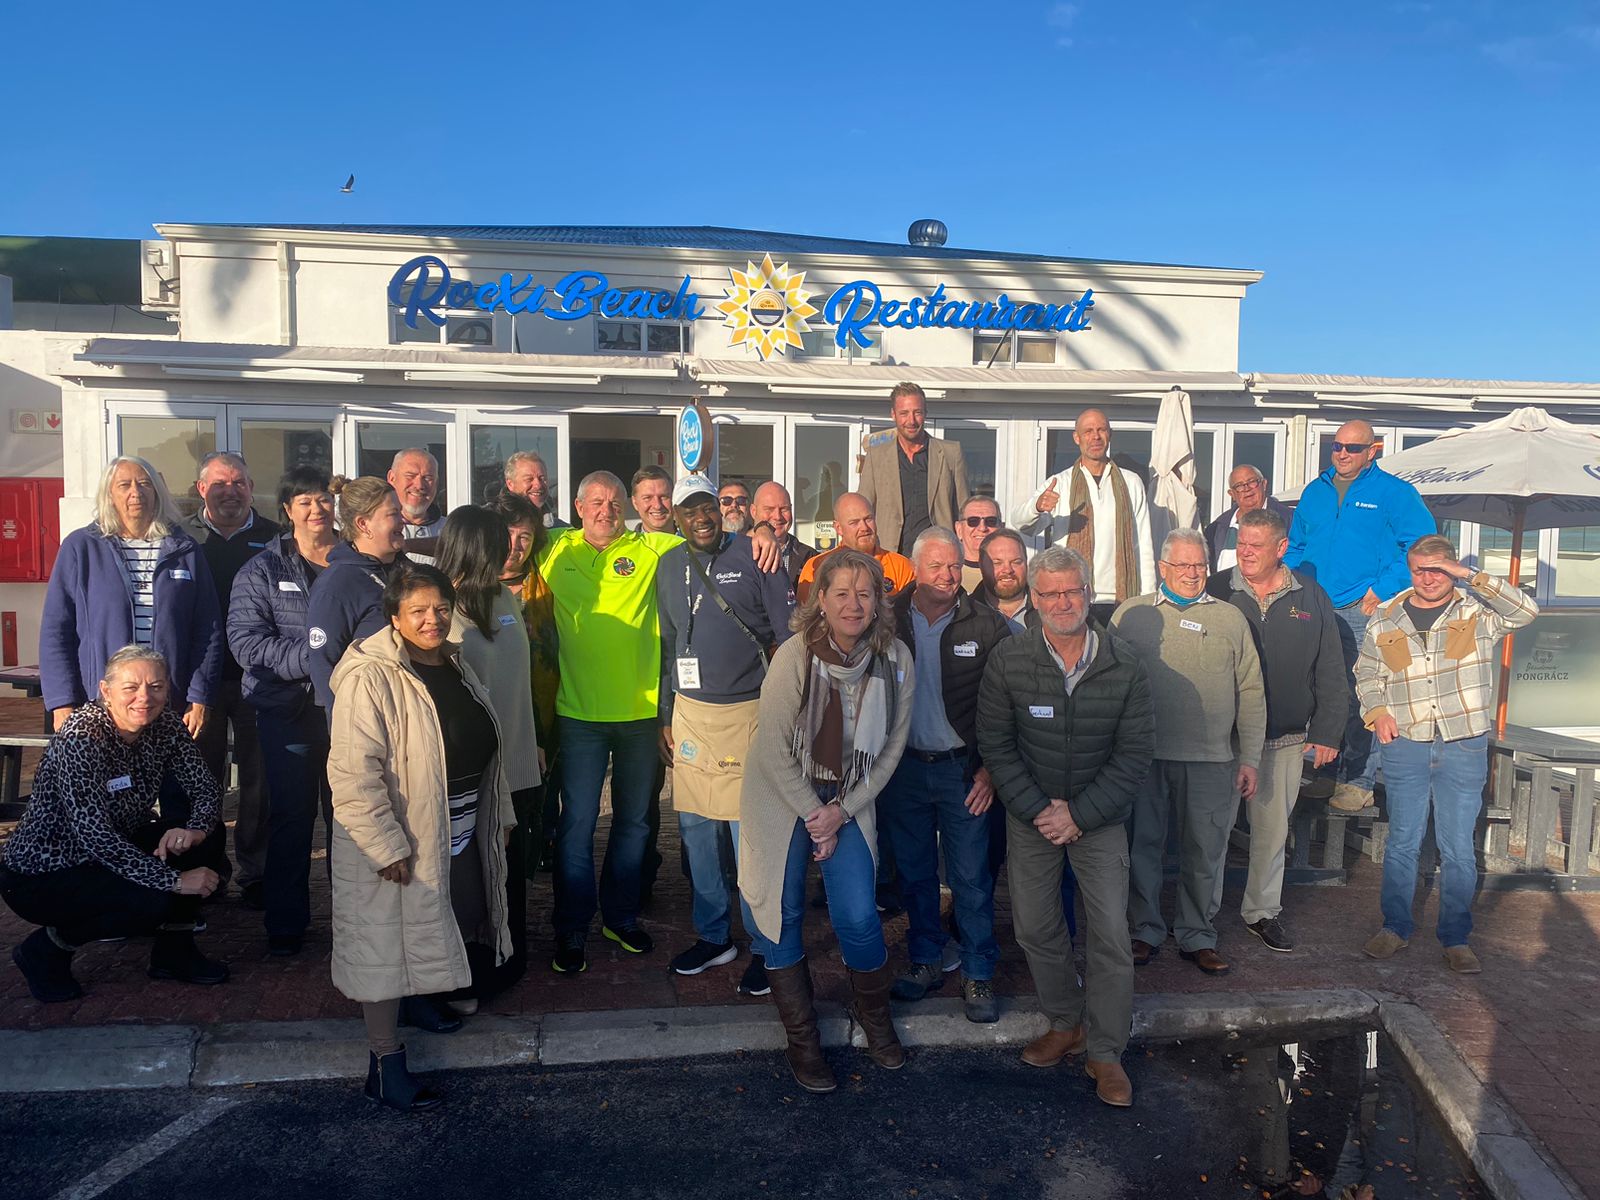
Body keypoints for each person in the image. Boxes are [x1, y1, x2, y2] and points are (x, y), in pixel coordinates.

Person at [326, 565, 514, 1112]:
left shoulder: (455, 662)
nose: (431, 620)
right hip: (401, 835)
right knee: (384, 947)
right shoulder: (371, 677)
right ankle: (384, 1064)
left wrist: (497, 813)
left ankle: (423, 1002)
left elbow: (486, 746)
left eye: (439, 609)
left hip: (455, 825)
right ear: (394, 618)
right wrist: (384, 846)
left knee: (431, 926)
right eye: (417, 612)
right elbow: (354, 773)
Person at [976, 546, 1154, 1107]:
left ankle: (1105, 1052)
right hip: (1032, 819)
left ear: (1087, 592)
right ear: (1033, 598)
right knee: (1033, 925)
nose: (1060, 602)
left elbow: (1134, 757)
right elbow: (997, 746)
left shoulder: (1125, 665)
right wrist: (1040, 810)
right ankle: (1065, 1021)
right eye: (1048, 593)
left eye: (1070, 591)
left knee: (1110, 936)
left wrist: (1078, 814)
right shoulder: (1009, 660)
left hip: (1098, 821)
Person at [739, 548, 916, 1093]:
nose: (854, 603)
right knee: (783, 912)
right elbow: (771, 748)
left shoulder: (896, 659)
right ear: (820, 601)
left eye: (865, 593)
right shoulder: (795, 656)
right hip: (780, 795)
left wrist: (842, 811)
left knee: (860, 916)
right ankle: (804, 1041)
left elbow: (890, 749)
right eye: (841, 592)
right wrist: (816, 814)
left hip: (848, 799)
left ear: (879, 601)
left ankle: (874, 1018)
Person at [2, 646, 228, 1003]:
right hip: (45, 871)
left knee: (207, 841)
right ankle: (46, 951)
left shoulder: (166, 724)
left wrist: (194, 830)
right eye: (131, 688)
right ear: (106, 691)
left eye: (155, 686)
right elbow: (96, 837)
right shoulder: (81, 738)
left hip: (114, 845)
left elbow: (205, 787)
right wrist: (175, 880)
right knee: (150, 900)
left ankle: (174, 952)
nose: (144, 697)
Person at [1355, 534, 1536, 973]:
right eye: (1420, 569)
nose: (1428, 578)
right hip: (1406, 743)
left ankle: (1455, 937)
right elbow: (1366, 673)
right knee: (1402, 841)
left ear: (1452, 569)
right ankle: (1394, 927)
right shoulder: (1386, 617)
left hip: (1462, 742)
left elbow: (1526, 610)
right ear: (1410, 568)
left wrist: (1468, 576)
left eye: (1438, 569)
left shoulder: (1477, 612)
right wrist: (1377, 711)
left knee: (1457, 846)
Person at [40, 457, 224, 868]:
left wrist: (198, 695)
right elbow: (57, 629)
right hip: (102, 703)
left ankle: (183, 887)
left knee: (182, 793)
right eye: (123, 485)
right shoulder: (82, 547)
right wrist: (62, 701)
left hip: (167, 700)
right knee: (106, 801)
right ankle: (106, 888)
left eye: (144, 484)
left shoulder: (183, 547)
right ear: (109, 493)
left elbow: (207, 629)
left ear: (158, 491)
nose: (134, 493)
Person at [657, 473, 795, 994]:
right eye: (689, 510)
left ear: (721, 509)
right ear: (677, 517)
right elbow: (668, 641)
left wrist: (785, 716)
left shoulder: (757, 556)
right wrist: (662, 714)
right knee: (696, 832)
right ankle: (715, 937)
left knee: (749, 838)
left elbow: (786, 641)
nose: (701, 518)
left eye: (708, 507)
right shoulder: (668, 565)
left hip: (749, 713)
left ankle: (764, 943)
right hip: (691, 714)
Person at [539, 471, 681, 972]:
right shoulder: (552, 548)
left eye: (614, 502)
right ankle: (572, 927)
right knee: (576, 826)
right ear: (578, 507)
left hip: (640, 714)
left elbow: (721, 537)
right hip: (578, 715)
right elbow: (494, 537)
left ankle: (619, 918)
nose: (605, 511)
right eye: (596, 502)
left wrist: (765, 535)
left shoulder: (653, 549)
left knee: (634, 824)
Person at [1112, 529, 1265, 977]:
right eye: (1182, 565)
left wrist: (1250, 756)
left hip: (1214, 759)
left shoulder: (1230, 618)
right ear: (1162, 568)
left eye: (1199, 565)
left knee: (1205, 851)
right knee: (1144, 848)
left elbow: (1251, 690)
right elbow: (1106, 681)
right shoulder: (1131, 615)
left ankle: (1197, 935)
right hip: (1145, 757)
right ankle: (1145, 930)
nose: (1192, 574)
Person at [881, 527, 1011, 1022]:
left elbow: (1004, 706)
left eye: (955, 566)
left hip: (965, 773)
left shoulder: (986, 623)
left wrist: (991, 771)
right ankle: (926, 961)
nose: (948, 576)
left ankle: (978, 973)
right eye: (936, 566)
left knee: (971, 879)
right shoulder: (887, 618)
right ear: (915, 568)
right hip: (904, 770)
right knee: (914, 875)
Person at [1207, 507, 1346, 953]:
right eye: (1241, 544)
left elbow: (1330, 668)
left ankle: (1262, 912)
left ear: (1281, 548)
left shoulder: (1310, 597)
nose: (1245, 552)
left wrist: (1327, 729)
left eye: (1255, 546)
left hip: (1284, 738)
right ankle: (1200, 917)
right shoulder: (1217, 591)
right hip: (1224, 740)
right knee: (1212, 831)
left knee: (1271, 835)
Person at [1285, 420, 1435, 812]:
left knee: (1360, 693)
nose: (1342, 454)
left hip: (1361, 608)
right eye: (1336, 446)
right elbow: (1296, 546)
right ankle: (1324, 771)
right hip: (1312, 604)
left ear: (1374, 450)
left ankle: (1358, 778)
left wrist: (1383, 588)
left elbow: (1420, 546)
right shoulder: (1314, 491)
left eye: (1353, 448)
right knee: (1318, 690)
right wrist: (1286, 584)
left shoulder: (1395, 493)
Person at [227, 466, 339, 956]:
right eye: (305, 502)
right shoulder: (262, 570)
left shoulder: (355, 563)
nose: (317, 510)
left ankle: (356, 918)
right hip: (286, 711)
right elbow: (245, 642)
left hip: (348, 713)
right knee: (292, 818)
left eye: (323, 500)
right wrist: (313, 662)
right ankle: (287, 922)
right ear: (288, 511)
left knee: (350, 819)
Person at [437, 505, 542, 992]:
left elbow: (517, 679)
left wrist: (534, 741)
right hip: (475, 769)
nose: (508, 549)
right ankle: (474, 968)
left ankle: (509, 955)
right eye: (497, 541)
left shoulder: (506, 596)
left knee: (511, 867)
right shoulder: (444, 607)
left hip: (519, 758)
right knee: (476, 870)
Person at [187, 451, 280, 904]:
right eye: (220, 483)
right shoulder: (183, 538)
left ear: (250, 487)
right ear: (201, 489)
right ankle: (207, 868)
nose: (231, 490)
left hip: (257, 678)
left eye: (239, 482)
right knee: (200, 778)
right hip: (197, 683)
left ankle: (256, 871)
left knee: (258, 779)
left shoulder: (276, 538)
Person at [1013, 409, 1155, 624]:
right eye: (1088, 431)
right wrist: (1037, 506)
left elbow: (1143, 544)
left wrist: (1147, 598)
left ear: (1110, 434)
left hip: (1122, 598)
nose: (1095, 436)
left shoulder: (1131, 482)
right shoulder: (1061, 483)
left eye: (1101, 430)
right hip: (1072, 598)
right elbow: (1022, 524)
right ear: (1076, 437)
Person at [487, 491, 561, 879]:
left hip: (548, 713)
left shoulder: (545, 583)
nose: (514, 547)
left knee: (542, 802)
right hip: (498, 719)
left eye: (525, 538)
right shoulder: (471, 587)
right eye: (508, 535)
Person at [306, 477, 410, 714]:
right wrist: (349, 726)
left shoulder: (408, 571)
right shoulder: (337, 585)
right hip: (366, 721)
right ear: (363, 524)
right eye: (393, 514)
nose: (402, 521)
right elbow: (324, 666)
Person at [858, 382, 970, 556]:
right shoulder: (876, 456)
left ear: (925, 413)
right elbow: (863, 509)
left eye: (917, 412)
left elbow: (964, 510)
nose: (911, 420)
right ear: (893, 415)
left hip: (937, 556)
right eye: (904, 413)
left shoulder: (951, 453)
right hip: (890, 555)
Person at [796, 492, 915, 604]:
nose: (864, 528)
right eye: (854, 522)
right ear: (838, 528)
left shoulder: (901, 566)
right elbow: (806, 618)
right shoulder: (817, 567)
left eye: (868, 519)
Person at [1204, 464, 1295, 573]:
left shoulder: (1290, 520)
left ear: (1264, 484)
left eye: (1252, 482)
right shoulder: (1216, 529)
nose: (1246, 489)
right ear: (1231, 494)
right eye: (1239, 486)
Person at [751, 481, 815, 587]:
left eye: (784, 509)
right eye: (769, 509)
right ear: (753, 511)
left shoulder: (811, 558)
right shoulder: (739, 554)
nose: (777, 516)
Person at [976, 528, 1035, 634]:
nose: (1008, 570)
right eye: (997, 563)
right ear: (981, 565)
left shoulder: (1048, 609)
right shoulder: (964, 615)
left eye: (1016, 562)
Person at [387, 448, 445, 549]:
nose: (419, 486)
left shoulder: (450, 531)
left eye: (428, 478)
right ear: (392, 478)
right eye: (410, 476)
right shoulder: (374, 530)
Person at [503, 450, 569, 528]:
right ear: (510, 484)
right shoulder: (495, 523)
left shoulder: (562, 530)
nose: (538, 485)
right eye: (529, 479)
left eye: (542, 478)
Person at [956, 495, 1004, 594]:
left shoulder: (1012, 574)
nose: (982, 528)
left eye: (991, 521)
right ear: (959, 529)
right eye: (973, 521)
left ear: (1001, 528)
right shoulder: (947, 575)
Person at [630, 465, 675, 534]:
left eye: (663, 497)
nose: (657, 506)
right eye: (647, 498)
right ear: (635, 503)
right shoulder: (626, 545)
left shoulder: (693, 543)